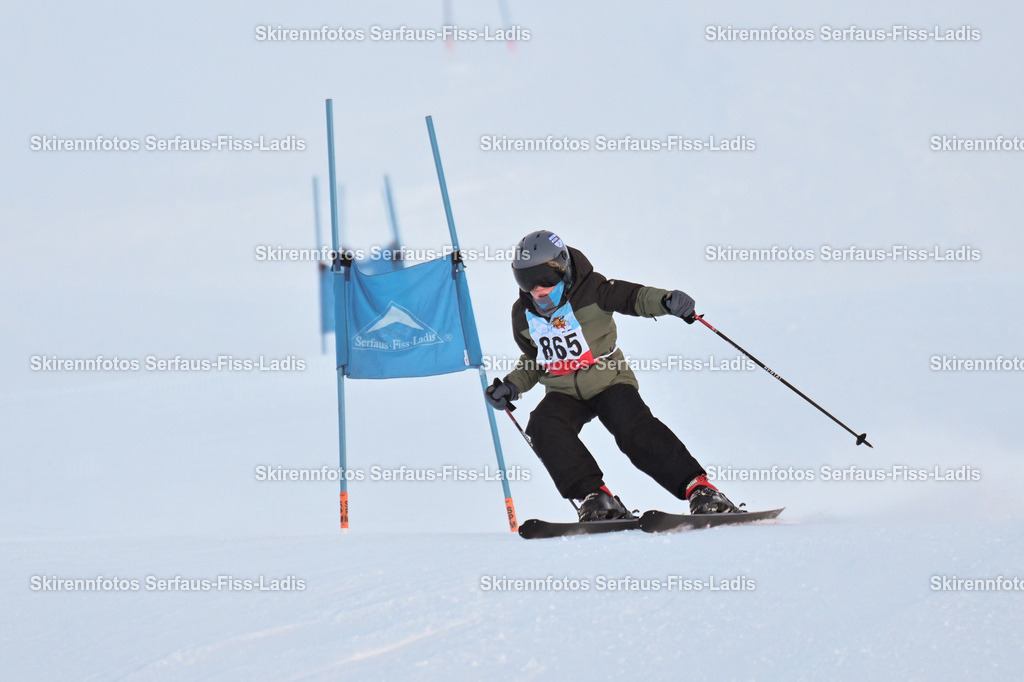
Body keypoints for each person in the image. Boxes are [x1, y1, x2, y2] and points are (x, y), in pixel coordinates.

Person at [485, 230, 743, 521]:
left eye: (545, 278)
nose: (537, 289)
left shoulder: (592, 289)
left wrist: (667, 301)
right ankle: (595, 497)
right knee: (544, 425)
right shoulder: (523, 315)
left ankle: (700, 490)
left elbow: (634, 297)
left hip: (608, 379)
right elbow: (535, 361)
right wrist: (511, 386)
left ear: (564, 268)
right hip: (563, 390)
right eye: (526, 281)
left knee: (633, 429)